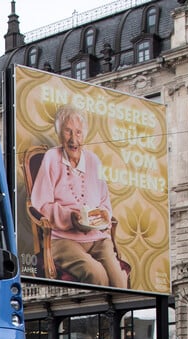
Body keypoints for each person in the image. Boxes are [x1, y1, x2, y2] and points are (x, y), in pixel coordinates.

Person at [30, 105, 128, 288]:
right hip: (63, 239)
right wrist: (70, 217)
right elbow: (40, 204)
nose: (73, 139)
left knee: (119, 282)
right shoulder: (52, 157)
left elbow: (105, 203)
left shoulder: (93, 161)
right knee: (96, 274)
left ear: (84, 135)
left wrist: (104, 216)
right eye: (68, 132)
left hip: (97, 238)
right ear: (60, 134)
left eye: (78, 133)